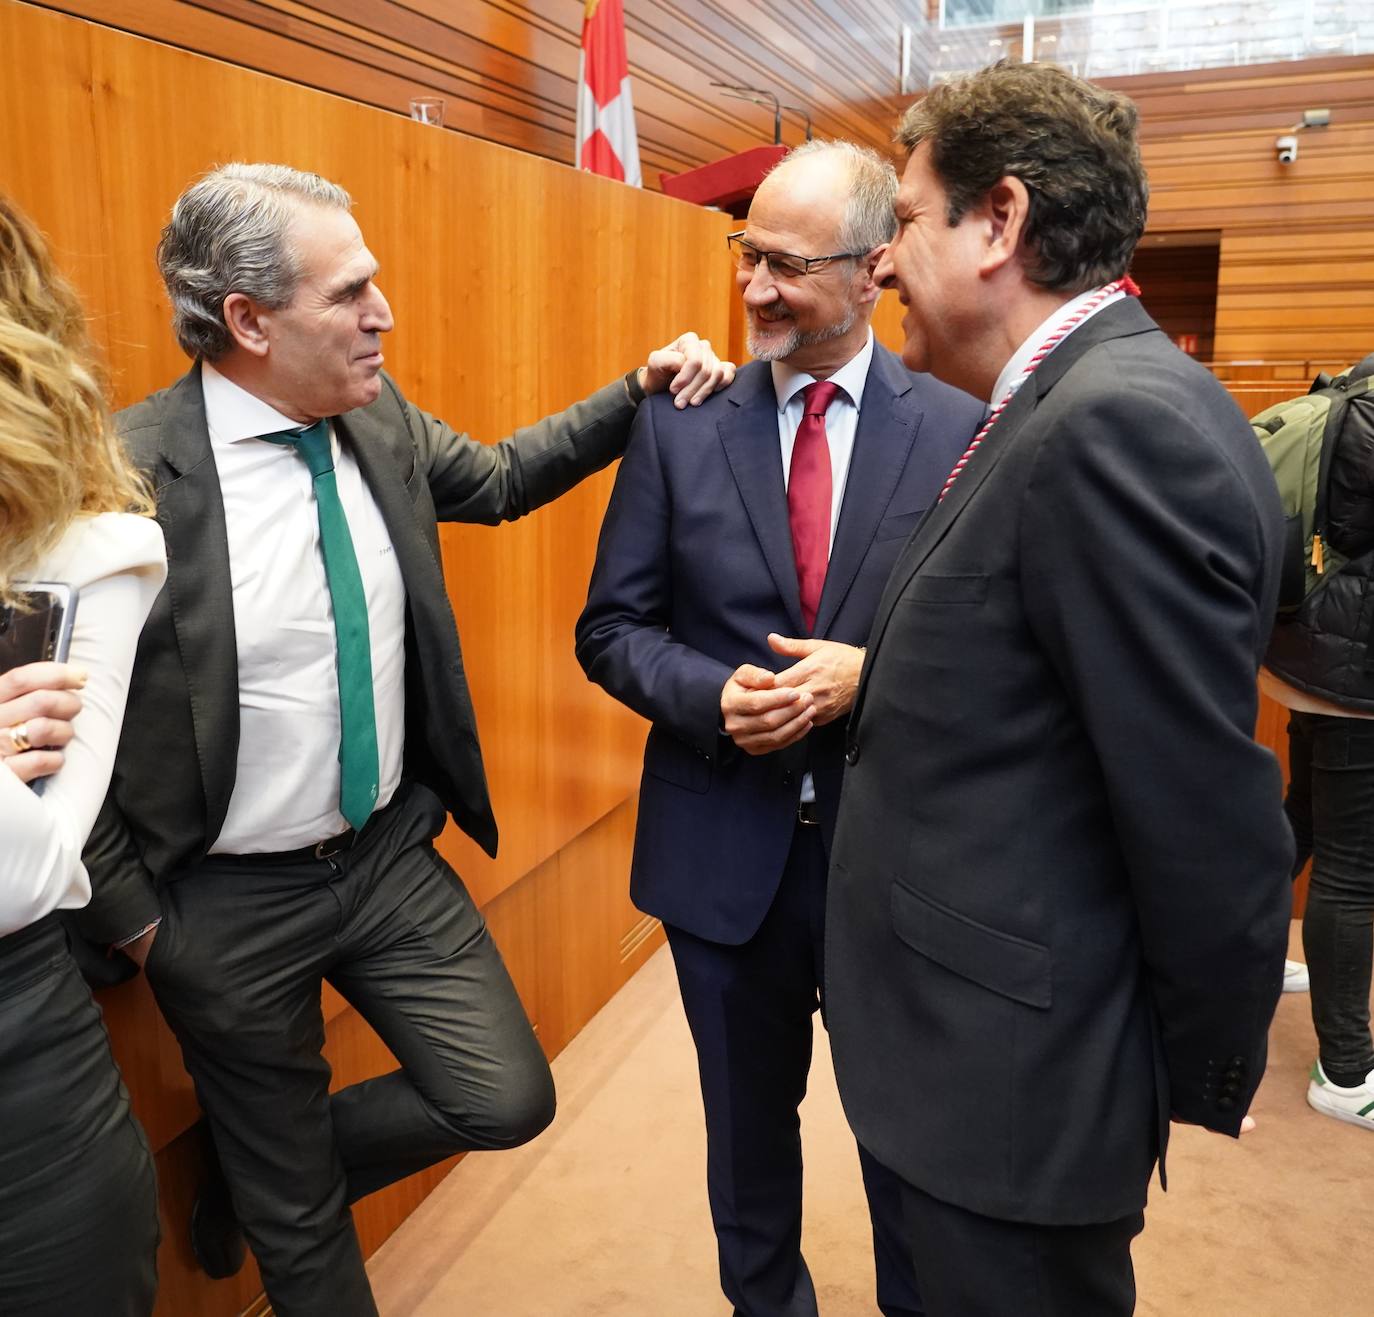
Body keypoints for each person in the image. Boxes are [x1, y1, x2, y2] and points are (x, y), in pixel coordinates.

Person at [71, 162, 733, 1317]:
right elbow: (59, 725)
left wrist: (640, 390)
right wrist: (136, 923)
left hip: (383, 862)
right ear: (249, 320)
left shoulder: (374, 417)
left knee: (505, 1098)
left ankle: (261, 1157)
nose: (385, 314)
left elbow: (504, 477)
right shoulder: (121, 477)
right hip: (217, 908)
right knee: (304, 1236)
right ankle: (275, 1178)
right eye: (352, 293)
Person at [822, 63, 1294, 1315]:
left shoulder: (1113, 427)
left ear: (1001, 222)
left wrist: (1174, 1070)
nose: (877, 267)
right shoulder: (1056, 407)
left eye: (907, 222)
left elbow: (1203, 810)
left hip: (1016, 1095)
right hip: (955, 1070)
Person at [576, 140, 983, 1316]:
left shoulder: (962, 431)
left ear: (874, 270)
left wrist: (877, 676)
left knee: (910, 1148)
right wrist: (711, 697)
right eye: (745, 254)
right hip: (723, 867)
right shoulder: (680, 422)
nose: (752, 288)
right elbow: (611, 627)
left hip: (894, 866)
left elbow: (993, 647)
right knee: (750, 1151)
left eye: (786, 266)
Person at [0, 194, 165, 1316]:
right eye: (351, 290)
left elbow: (19, 874)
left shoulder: (84, 552)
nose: (379, 317)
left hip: (22, 1104)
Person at [1261, 353, 1374, 1130]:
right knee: (1352, 863)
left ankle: (1248, 950)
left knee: (1305, 814)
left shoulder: (1349, 387)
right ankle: (1346, 1067)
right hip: (1354, 671)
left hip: (1309, 648)